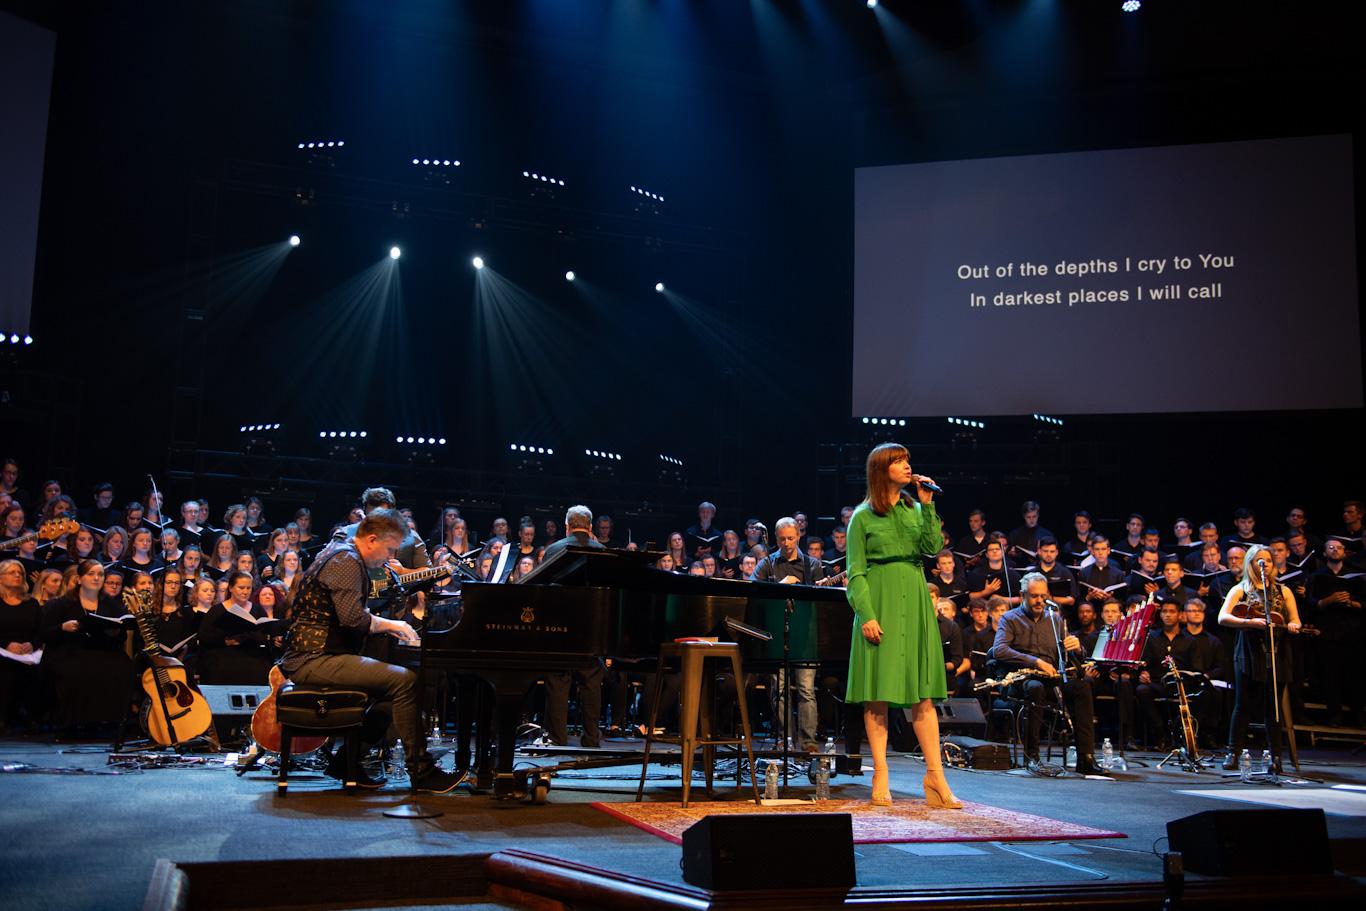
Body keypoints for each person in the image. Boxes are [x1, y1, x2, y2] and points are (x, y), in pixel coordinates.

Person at [280, 509, 461, 791]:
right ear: (372, 539)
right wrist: (392, 625)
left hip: (323, 654)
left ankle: (347, 761)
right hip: (313, 658)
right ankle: (422, 773)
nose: (389, 558)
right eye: (389, 550)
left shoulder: (342, 552)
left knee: (398, 687)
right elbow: (352, 618)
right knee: (405, 681)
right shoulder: (346, 560)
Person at [845, 442, 961, 808]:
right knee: (877, 693)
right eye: (899, 461)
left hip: (914, 600)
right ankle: (880, 774)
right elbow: (855, 573)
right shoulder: (862, 516)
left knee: (922, 694)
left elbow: (930, 547)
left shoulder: (914, 508)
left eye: (908, 459)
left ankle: (935, 777)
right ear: (882, 469)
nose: (908, 466)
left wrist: (928, 504)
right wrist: (867, 615)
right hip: (880, 601)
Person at [990, 573, 1103, 776]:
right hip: (1022, 679)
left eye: (1043, 595)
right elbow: (999, 650)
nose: (1040, 600)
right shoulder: (1009, 619)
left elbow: (1068, 651)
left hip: (1051, 678)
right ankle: (1031, 758)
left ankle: (1086, 758)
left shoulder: (1055, 619)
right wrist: (1035, 661)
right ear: (1022, 595)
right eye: (1034, 596)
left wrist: (1077, 647)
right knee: (1035, 688)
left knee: (1082, 687)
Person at [1219, 544, 1302, 773]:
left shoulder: (1283, 591)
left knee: (1272, 707)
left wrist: (1294, 625)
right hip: (1248, 650)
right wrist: (1249, 623)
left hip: (1277, 651)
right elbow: (1223, 617)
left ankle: (1275, 756)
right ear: (1250, 563)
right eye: (1259, 561)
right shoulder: (1240, 589)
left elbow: (1295, 619)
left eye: (1268, 560)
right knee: (1242, 704)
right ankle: (1233, 753)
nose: (1264, 565)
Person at [751, 517, 827, 751]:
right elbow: (753, 594)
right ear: (775, 539)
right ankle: (786, 739)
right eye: (782, 539)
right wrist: (781, 585)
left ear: (798, 536)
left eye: (791, 538)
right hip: (777, 635)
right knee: (779, 689)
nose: (786, 543)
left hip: (804, 636)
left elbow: (818, 604)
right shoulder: (767, 565)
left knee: (806, 690)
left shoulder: (812, 565)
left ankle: (808, 742)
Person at [39, 559, 135, 734]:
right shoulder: (62, 604)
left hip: (102, 649)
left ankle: (109, 721)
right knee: (80, 669)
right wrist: (63, 627)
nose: (96, 578)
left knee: (122, 667)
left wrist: (114, 631)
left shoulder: (110, 603)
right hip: (69, 649)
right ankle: (75, 722)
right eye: (91, 574)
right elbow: (45, 633)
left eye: (100, 574)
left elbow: (120, 632)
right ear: (79, 579)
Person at [540, 506, 605, 748]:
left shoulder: (554, 549)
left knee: (557, 681)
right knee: (591, 682)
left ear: (567, 526)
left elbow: (544, 590)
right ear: (590, 527)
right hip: (592, 629)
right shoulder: (602, 552)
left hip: (559, 627)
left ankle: (557, 739)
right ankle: (591, 739)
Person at [0, 559, 42, 731]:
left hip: (27, 652)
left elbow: (40, 631)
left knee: (38, 670)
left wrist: (31, 644)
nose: (17, 576)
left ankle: (31, 717)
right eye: (12, 572)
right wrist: (6, 645)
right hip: (2, 649)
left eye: (20, 573)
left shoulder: (31, 603)